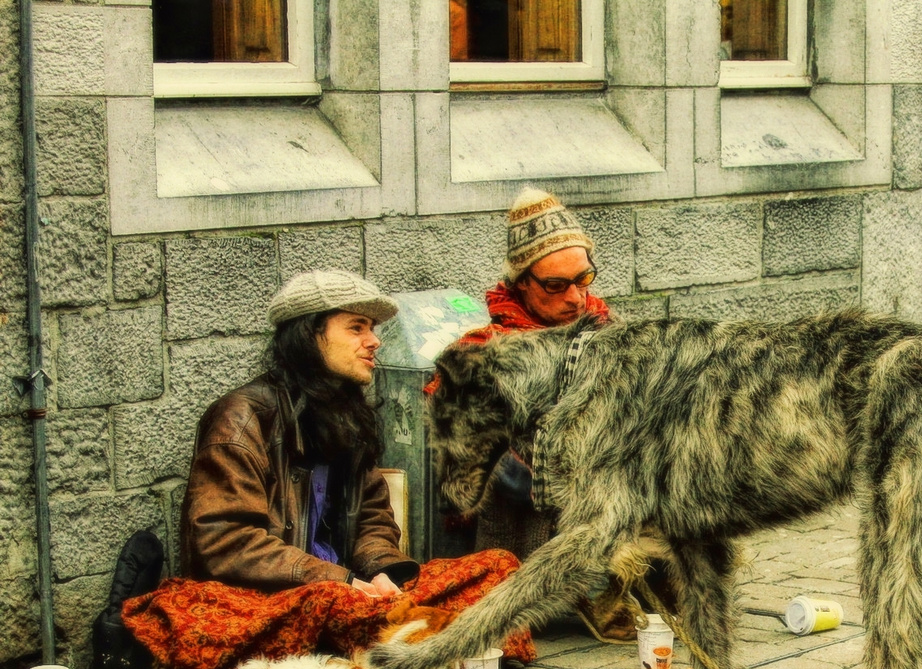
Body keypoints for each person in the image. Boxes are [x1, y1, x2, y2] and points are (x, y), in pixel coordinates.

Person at [463, 188, 642, 642]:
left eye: (584, 279)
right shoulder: (485, 350)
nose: (576, 297)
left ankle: (646, 579)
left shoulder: (611, 332)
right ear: (522, 283)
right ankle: (576, 584)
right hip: (535, 498)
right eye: (556, 286)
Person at [180, 270, 419, 596]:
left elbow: (372, 515)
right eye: (356, 327)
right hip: (268, 599)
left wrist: (381, 571)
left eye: (372, 328)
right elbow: (224, 540)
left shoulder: (346, 413)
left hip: (342, 589)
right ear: (308, 336)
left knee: (492, 570)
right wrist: (338, 582)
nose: (374, 341)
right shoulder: (241, 418)